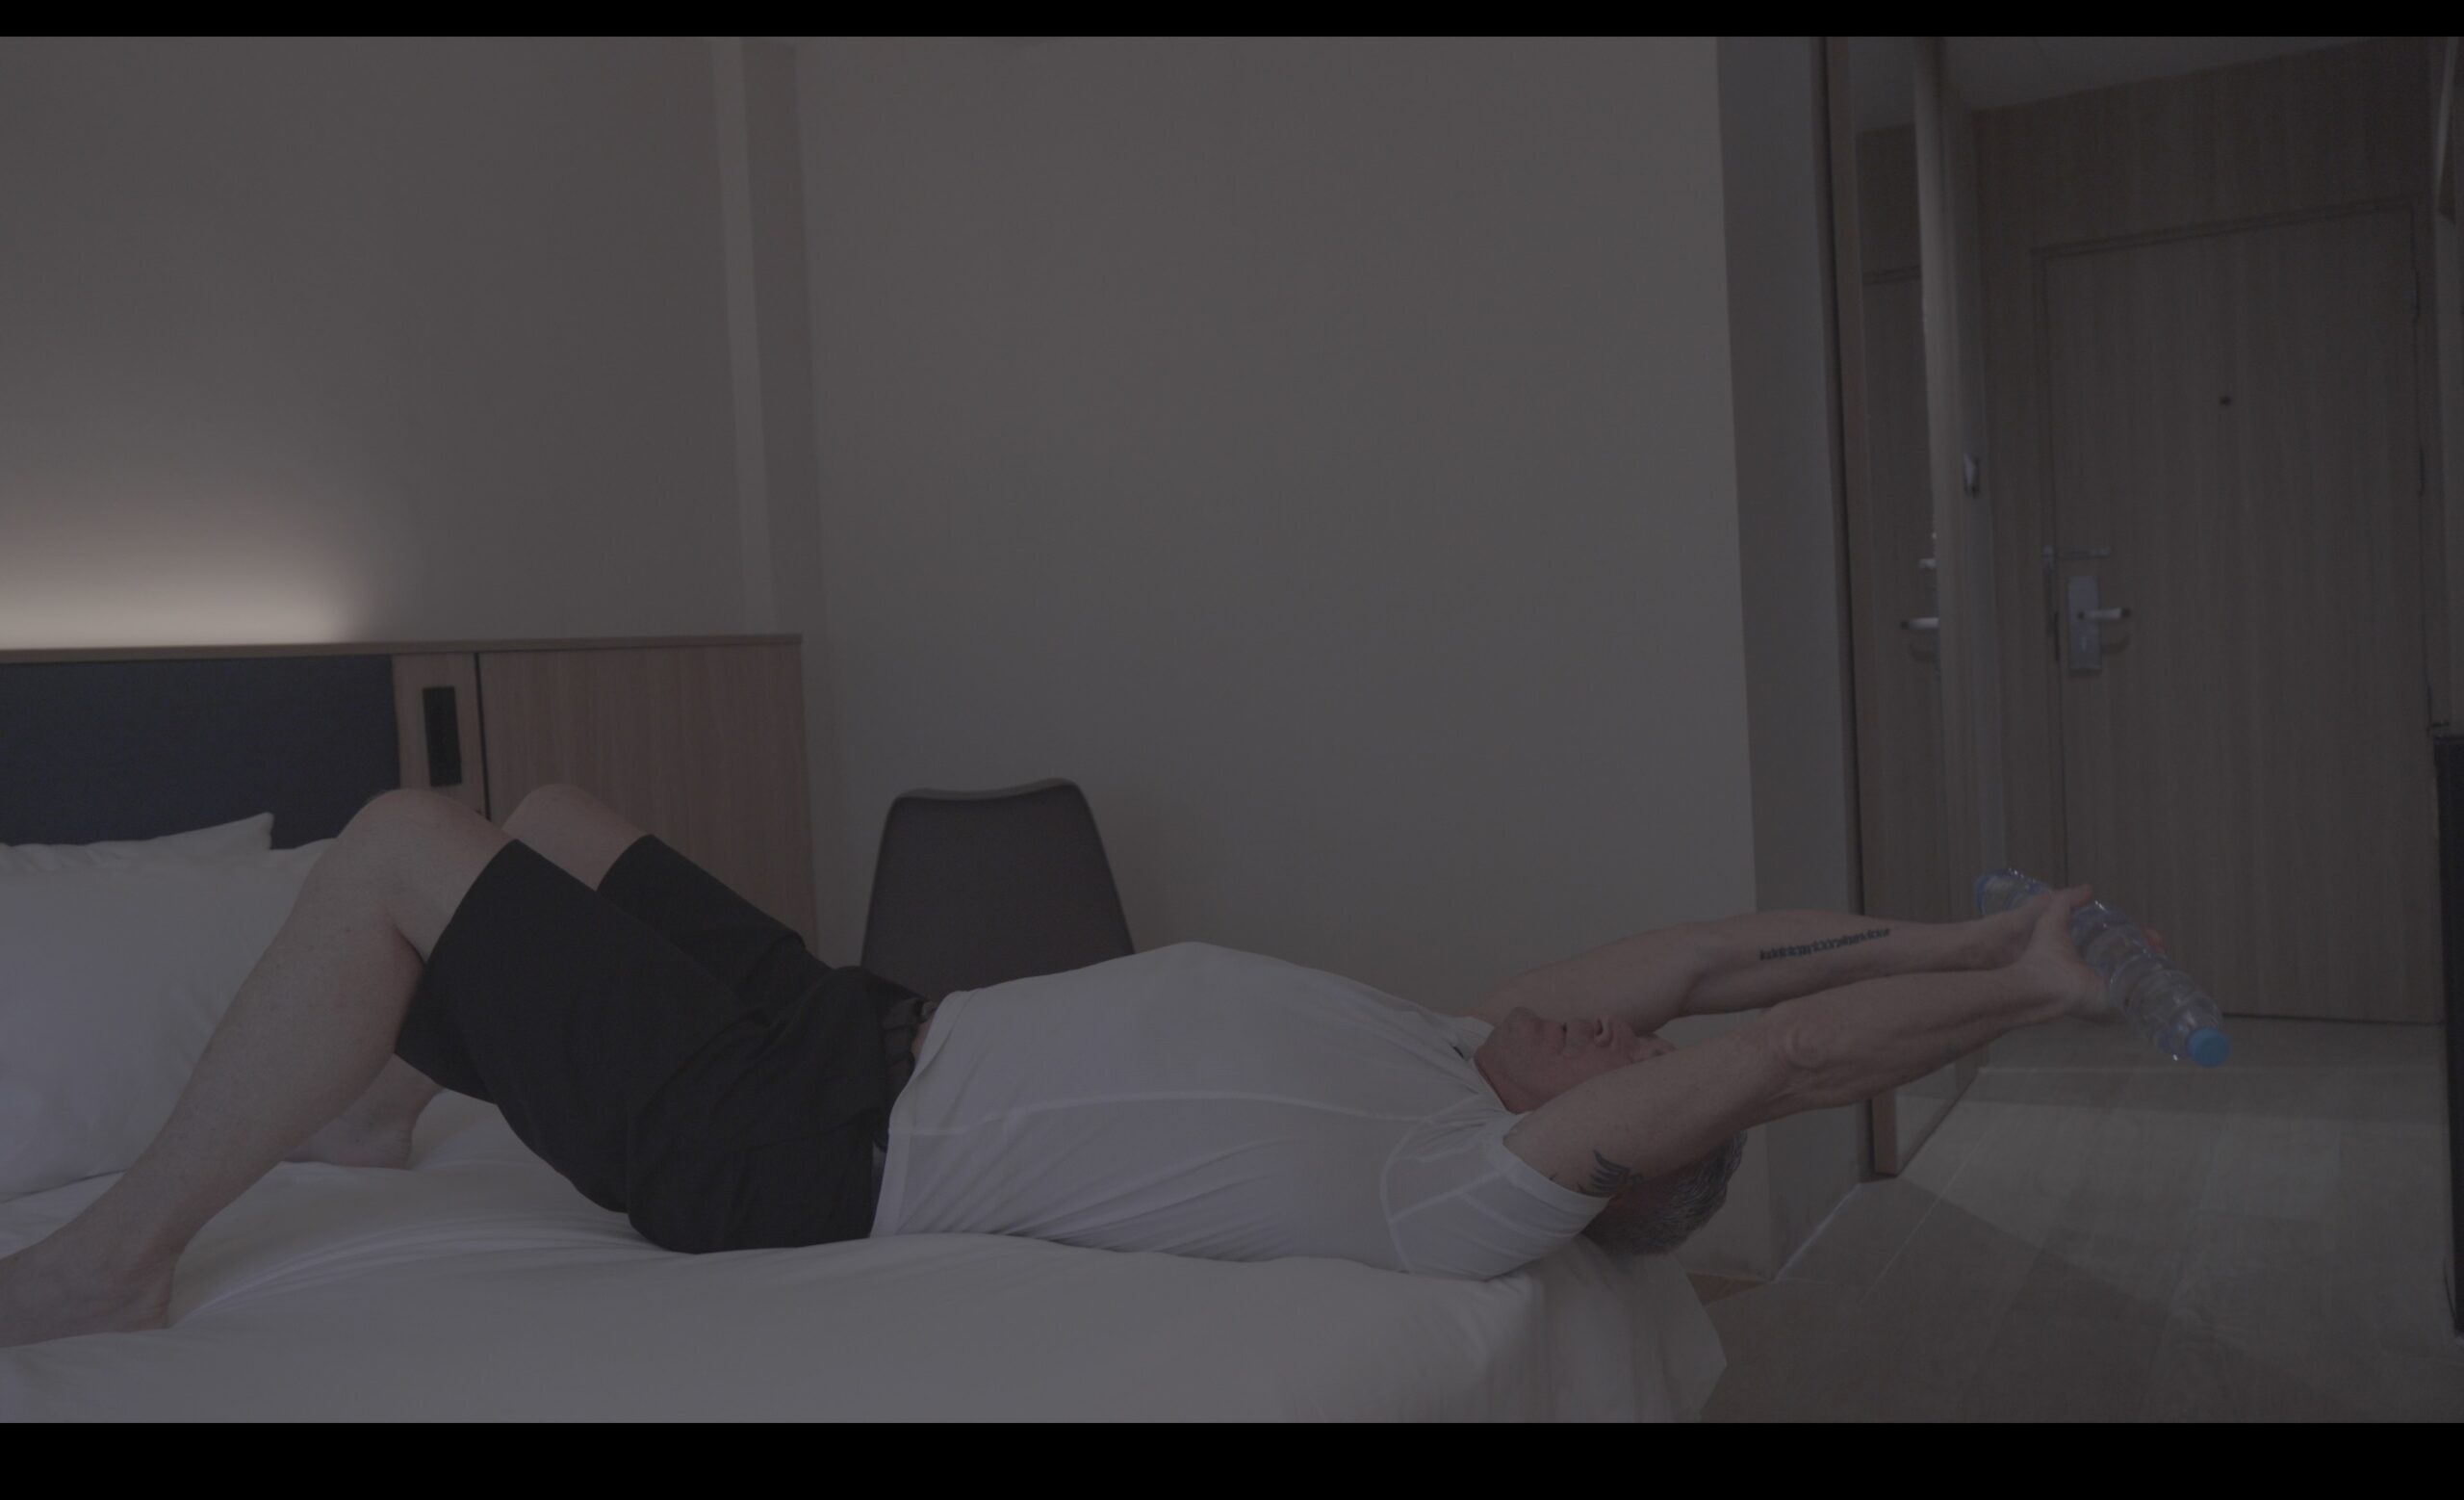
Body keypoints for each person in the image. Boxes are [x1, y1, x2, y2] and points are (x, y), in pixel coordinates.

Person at [0, 784, 2136, 1346]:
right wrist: (1960, 927)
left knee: (402, 836)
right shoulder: (1445, 1037)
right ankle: (382, 1097)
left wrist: (2025, 995)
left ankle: (115, 1250)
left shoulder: (1460, 1185)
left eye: (1629, 1066)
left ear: (1605, 1154)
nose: (1624, 1019)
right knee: (543, 818)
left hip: (791, 1146)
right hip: (851, 1022)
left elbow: (1774, 1045)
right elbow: (1721, 952)